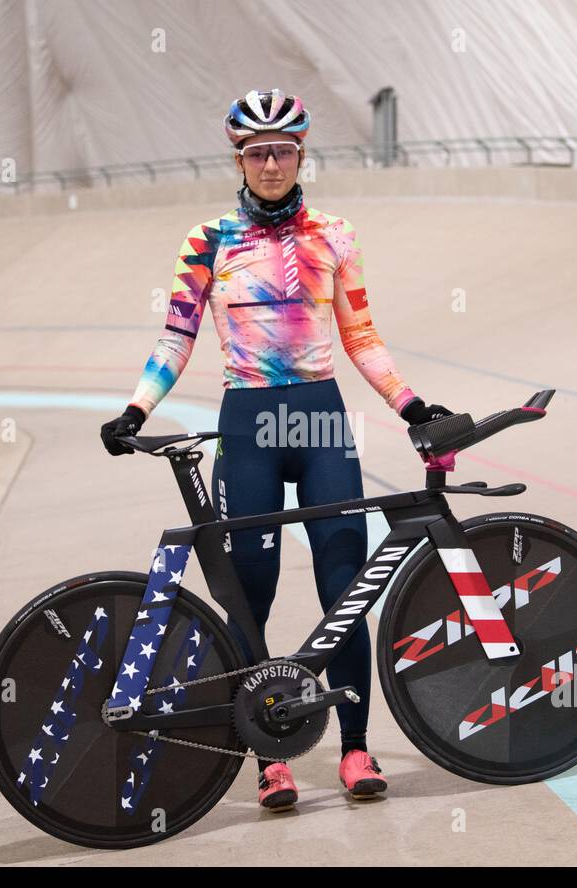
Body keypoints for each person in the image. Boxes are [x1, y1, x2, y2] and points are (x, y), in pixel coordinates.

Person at [100, 89, 453, 812]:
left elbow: (360, 336)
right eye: (256, 152)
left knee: (346, 586)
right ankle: (270, 756)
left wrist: (412, 405)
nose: (269, 163)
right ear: (237, 158)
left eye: (282, 150)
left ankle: (355, 749)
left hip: (321, 420)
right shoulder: (207, 240)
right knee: (248, 594)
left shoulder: (336, 235)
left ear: (300, 155)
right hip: (249, 427)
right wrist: (136, 407)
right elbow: (176, 336)